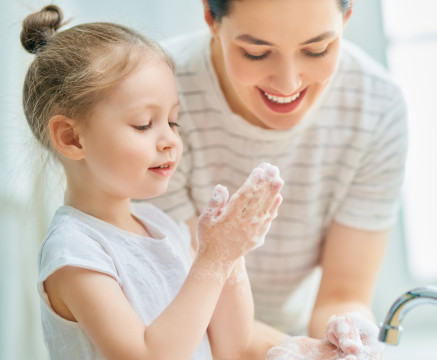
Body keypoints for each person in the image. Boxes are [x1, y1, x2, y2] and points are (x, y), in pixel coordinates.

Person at [147, 0, 409, 358]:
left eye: (317, 49)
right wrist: (302, 351)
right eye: (256, 52)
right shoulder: (154, 96)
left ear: (346, 19)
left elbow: (343, 294)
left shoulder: (377, 107)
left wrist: (347, 340)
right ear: (211, 17)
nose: (289, 82)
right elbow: (191, 301)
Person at [21, 5, 283, 360]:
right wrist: (213, 259)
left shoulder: (161, 227)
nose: (170, 140)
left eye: (173, 122)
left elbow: (230, 345)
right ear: (72, 138)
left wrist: (232, 255)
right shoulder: (74, 253)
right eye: (144, 124)